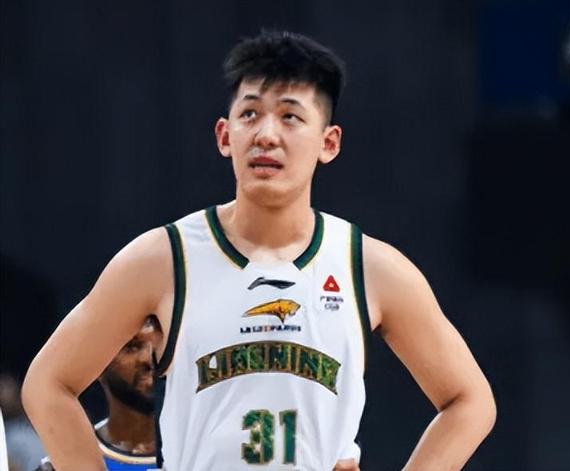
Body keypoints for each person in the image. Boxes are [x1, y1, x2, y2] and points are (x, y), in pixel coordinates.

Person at [22, 30, 496, 470]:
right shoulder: (161, 259)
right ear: (224, 136)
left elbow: (470, 401)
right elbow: (48, 384)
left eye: (290, 116)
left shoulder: (369, 266)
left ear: (328, 143)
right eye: (250, 114)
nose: (266, 134)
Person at [35, 316, 162, 471]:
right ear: (97, 366)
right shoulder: (61, 465)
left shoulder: (190, 441)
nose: (148, 358)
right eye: (132, 347)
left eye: (157, 345)